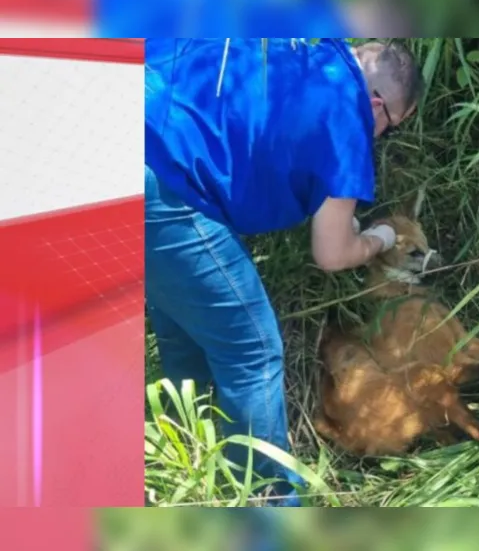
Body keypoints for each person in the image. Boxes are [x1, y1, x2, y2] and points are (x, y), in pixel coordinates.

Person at [144, 38, 423, 506]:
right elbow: (332, 255)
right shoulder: (349, 118)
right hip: (164, 186)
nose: (379, 137)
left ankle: (182, 448)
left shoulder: (305, 47)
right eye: (389, 127)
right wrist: (380, 240)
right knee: (252, 351)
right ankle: (269, 501)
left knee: (183, 323)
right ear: (376, 103)